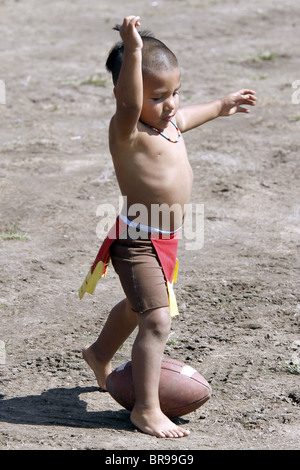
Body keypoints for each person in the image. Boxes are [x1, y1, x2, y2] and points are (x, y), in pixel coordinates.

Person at [81, 16, 256, 438]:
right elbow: (128, 103)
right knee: (156, 319)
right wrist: (133, 49)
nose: (171, 104)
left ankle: (99, 352)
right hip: (136, 242)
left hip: (166, 242)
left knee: (136, 306)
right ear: (129, 93)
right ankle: (145, 408)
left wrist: (222, 104)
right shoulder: (128, 132)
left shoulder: (169, 122)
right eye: (157, 96)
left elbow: (193, 113)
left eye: (175, 92)